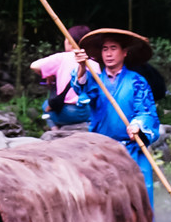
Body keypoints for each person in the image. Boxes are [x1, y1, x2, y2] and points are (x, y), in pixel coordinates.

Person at [74, 27, 161, 212]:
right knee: (102, 199)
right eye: (105, 49)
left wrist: (138, 125)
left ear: (124, 52)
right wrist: (81, 67)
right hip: (102, 151)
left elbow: (147, 112)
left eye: (113, 48)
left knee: (141, 195)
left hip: (132, 149)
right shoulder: (96, 82)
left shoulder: (137, 81)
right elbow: (81, 89)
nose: (108, 53)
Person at [31, 23, 95, 128]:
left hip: (68, 112)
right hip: (89, 112)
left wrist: (49, 76)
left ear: (70, 42)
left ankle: (55, 131)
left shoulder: (62, 58)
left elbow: (34, 66)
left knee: (46, 106)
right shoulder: (94, 61)